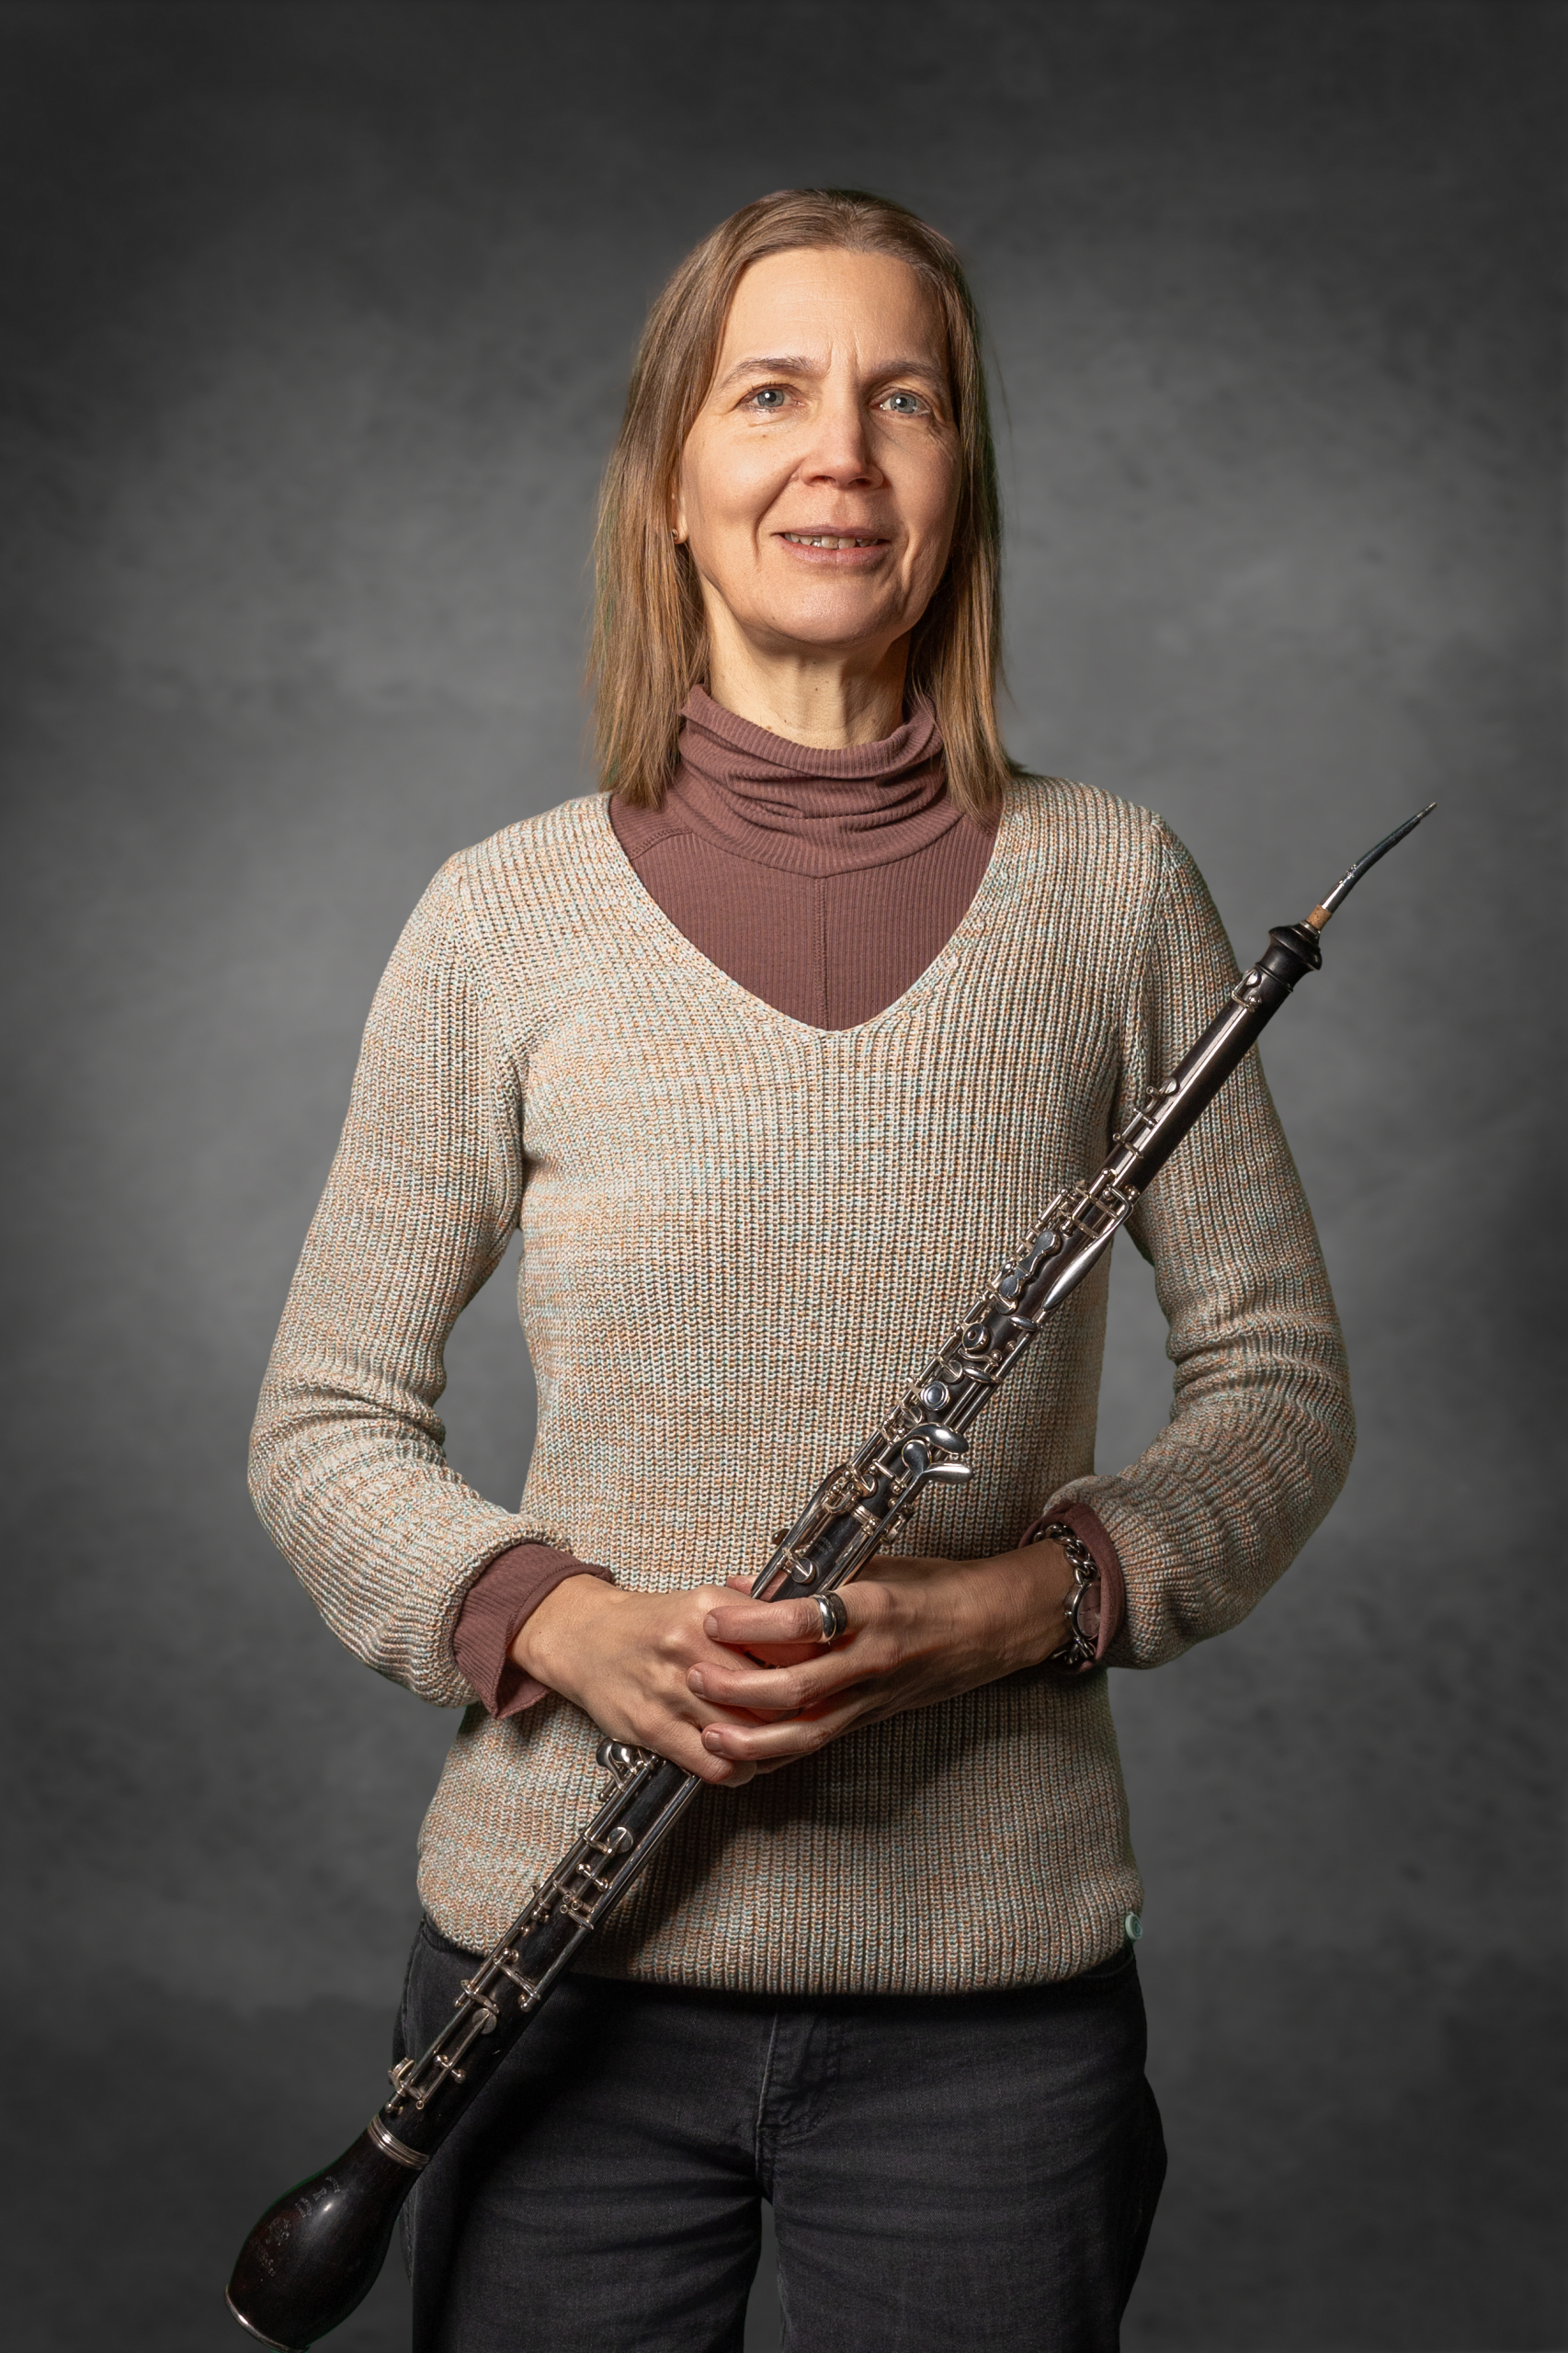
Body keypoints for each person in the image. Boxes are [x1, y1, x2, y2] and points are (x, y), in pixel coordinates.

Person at [251, 188, 1354, 2352]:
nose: (839, 452)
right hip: (550, 1995)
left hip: (990, 2020)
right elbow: (323, 1419)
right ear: (671, 481)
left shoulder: (1115, 889)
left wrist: (1024, 1600)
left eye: (902, 400)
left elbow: (1279, 1385)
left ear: (959, 484)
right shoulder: (499, 917)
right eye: (769, 394)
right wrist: (558, 1619)